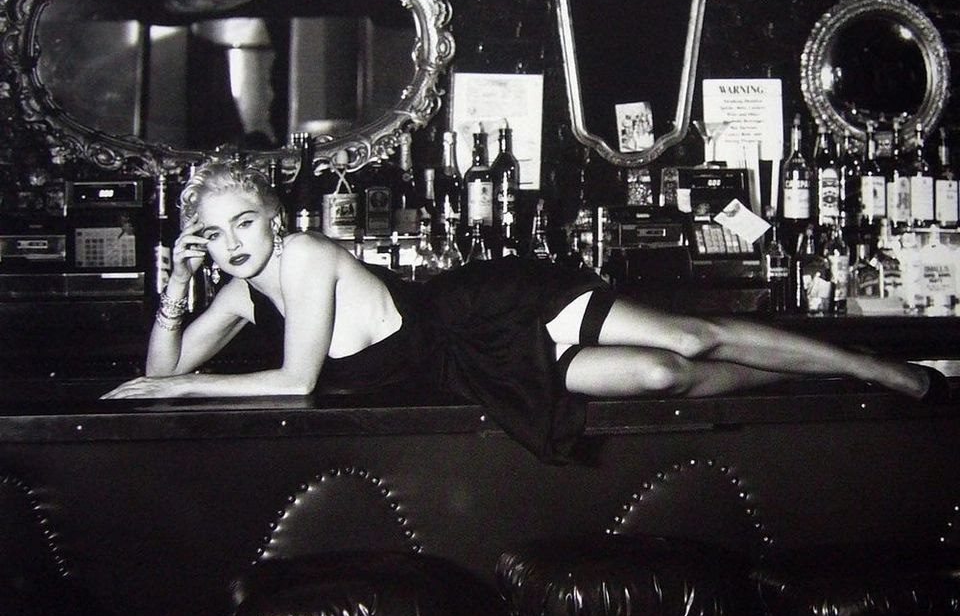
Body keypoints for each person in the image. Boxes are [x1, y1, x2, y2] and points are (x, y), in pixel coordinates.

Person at [103, 158, 945, 462]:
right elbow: (155, 377)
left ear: (274, 220)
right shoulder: (239, 292)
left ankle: (871, 368)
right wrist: (176, 299)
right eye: (213, 232)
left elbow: (293, 384)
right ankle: (805, 384)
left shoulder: (306, 257)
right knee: (662, 376)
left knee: (692, 335)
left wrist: (186, 386)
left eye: (244, 223)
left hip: (489, 310)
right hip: (474, 369)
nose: (233, 242)